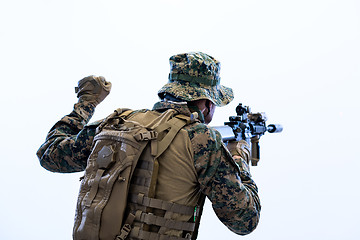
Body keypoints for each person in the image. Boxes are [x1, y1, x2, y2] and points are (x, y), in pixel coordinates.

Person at [37, 52, 261, 239]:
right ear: (206, 103)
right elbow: (244, 220)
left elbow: (50, 154)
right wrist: (239, 158)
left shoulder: (116, 123)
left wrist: (86, 104)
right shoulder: (202, 140)